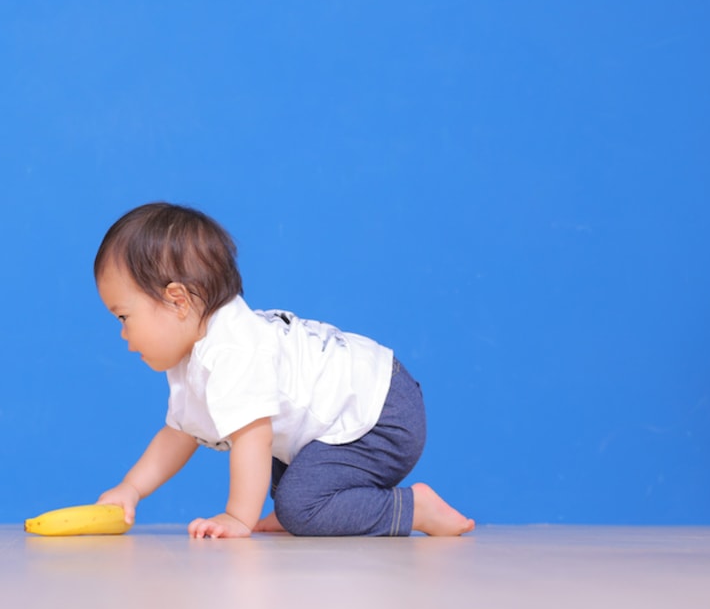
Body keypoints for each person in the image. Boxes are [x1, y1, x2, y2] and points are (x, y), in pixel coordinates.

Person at [94, 202, 475, 539]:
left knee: (299, 502)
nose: (124, 334)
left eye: (124, 317)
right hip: (357, 403)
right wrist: (131, 488)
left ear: (177, 301)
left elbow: (253, 438)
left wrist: (237, 517)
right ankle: (313, 507)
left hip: (380, 412)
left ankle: (412, 509)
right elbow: (178, 435)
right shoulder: (191, 353)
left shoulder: (233, 350)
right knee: (291, 481)